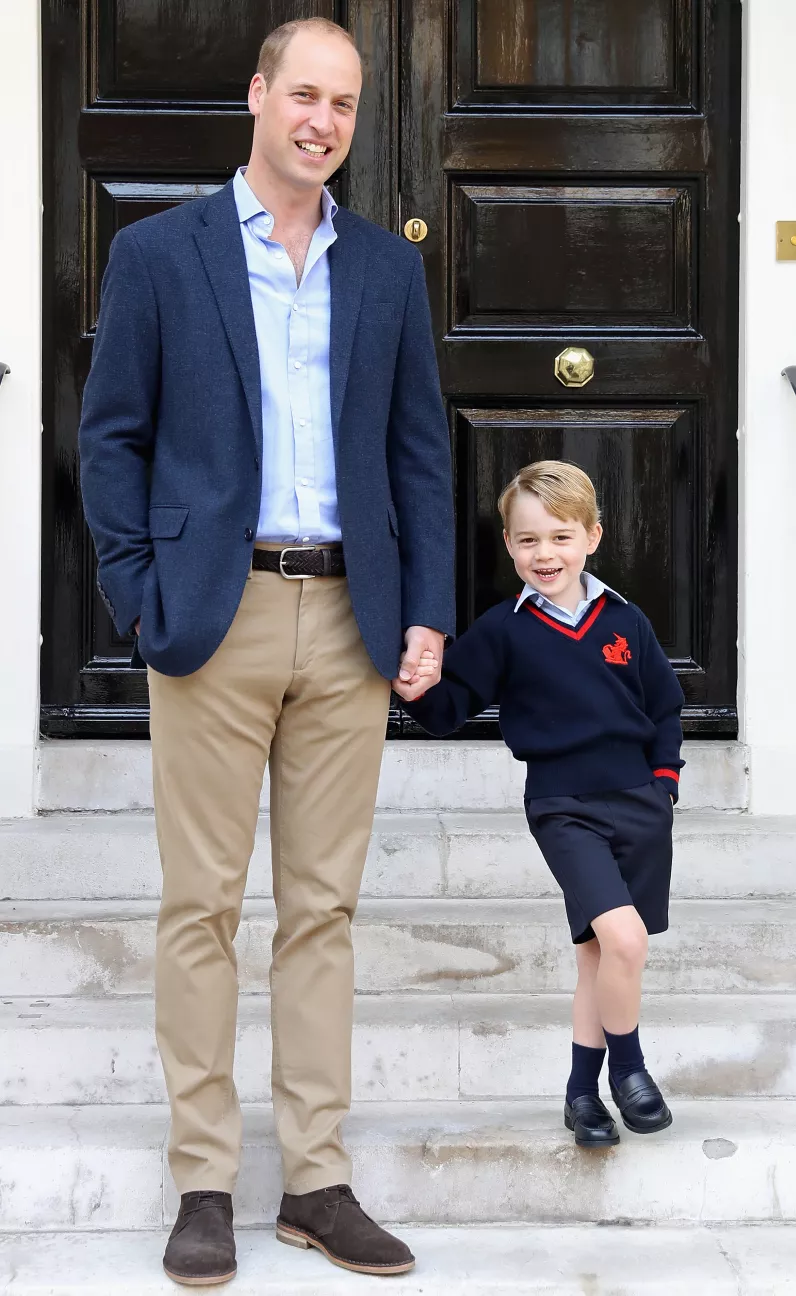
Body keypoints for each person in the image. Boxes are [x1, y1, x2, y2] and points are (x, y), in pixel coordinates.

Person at [79, 17, 454, 1286]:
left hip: (350, 620)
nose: (323, 121)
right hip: (214, 613)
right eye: (304, 93)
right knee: (199, 907)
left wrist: (426, 610)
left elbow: (419, 450)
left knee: (322, 912)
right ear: (257, 96)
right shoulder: (159, 254)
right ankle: (200, 1180)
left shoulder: (386, 271)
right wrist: (138, 595)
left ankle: (314, 1179)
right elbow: (111, 436)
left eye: (343, 104)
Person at [405, 461, 683, 1152]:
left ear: (592, 536)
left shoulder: (626, 620)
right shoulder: (503, 630)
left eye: (560, 537)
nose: (545, 554)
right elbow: (447, 710)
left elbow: (665, 707)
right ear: (507, 545)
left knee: (598, 956)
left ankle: (580, 1095)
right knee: (625, 940)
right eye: (528, 541)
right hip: (564, 806)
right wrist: (409, 684)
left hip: (640, 803)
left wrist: (665, 782)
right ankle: (632, 1071)